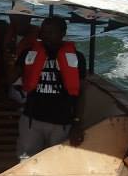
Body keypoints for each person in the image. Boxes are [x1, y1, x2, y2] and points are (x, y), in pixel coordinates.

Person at [8, 17, 87, 159]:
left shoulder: (77, 58)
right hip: (32, 119)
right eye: (43, 32)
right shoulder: (29, 54)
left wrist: (77, 123)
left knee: (57, 162)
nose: (46, 36)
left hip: (62, 123)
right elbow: (10, 78)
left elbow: (80, 93)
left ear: (62, 33)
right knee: (25, 160)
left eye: (51, 32)